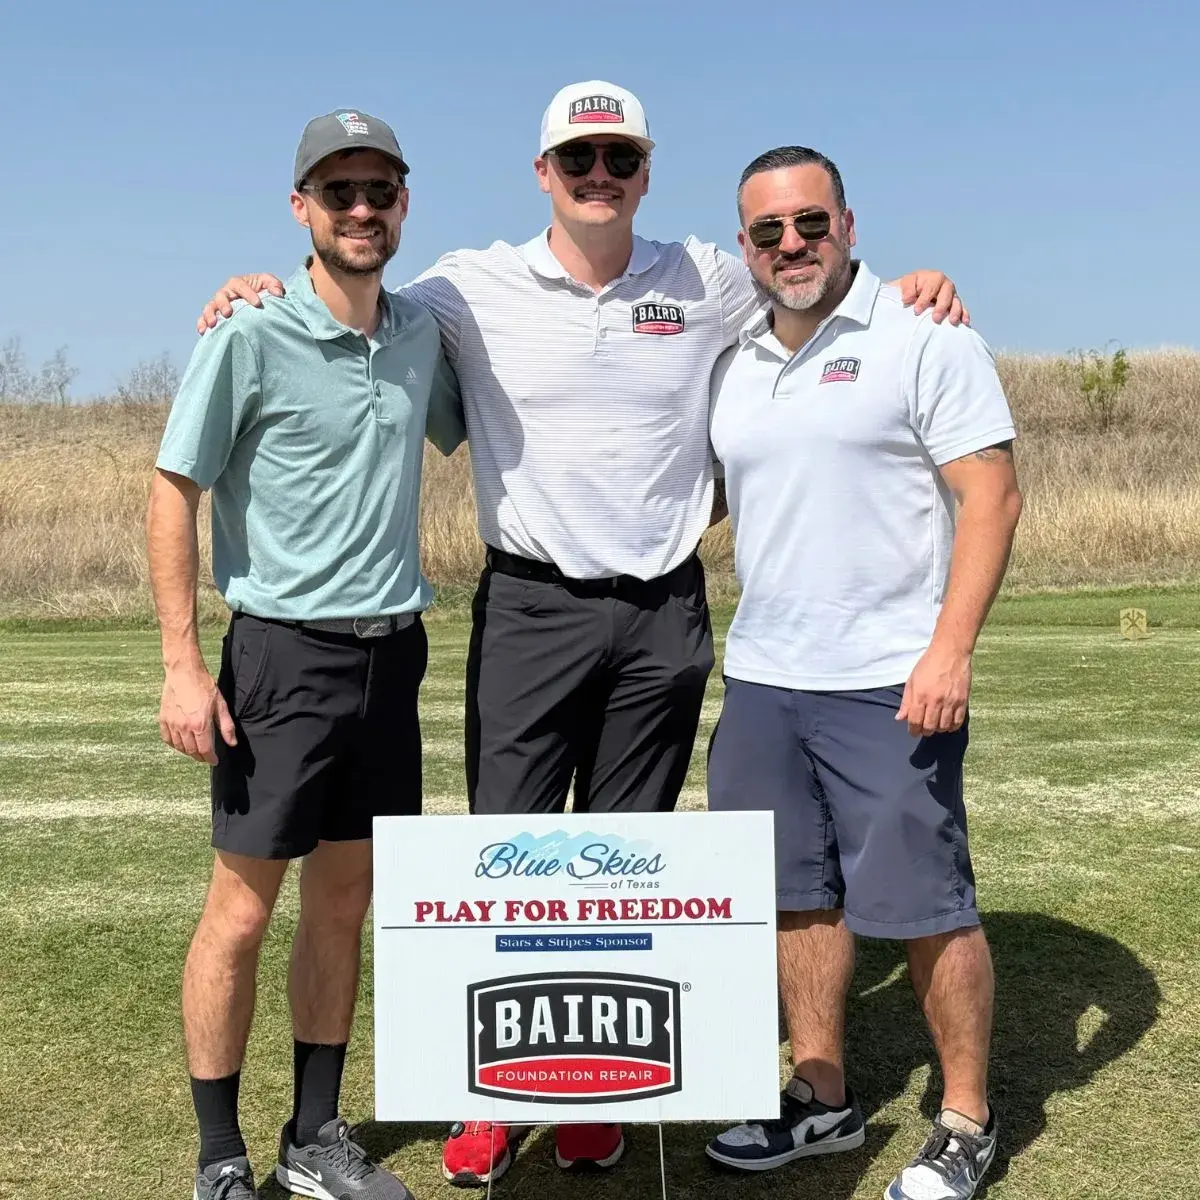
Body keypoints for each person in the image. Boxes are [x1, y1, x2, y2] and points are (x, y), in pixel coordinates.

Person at [195, 82, 967, 1188]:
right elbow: (346, 296)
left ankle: (592, 1100)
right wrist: (251, 288)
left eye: (618, 160)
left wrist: (916, 289)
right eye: (577, 161)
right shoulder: (465, 289)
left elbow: (820, 290)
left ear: (644, 171)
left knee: (624, 866)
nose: (597, 178)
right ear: (543, 172)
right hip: (530, 608)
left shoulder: (706, 277)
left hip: (661, 614)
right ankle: (492, 1102)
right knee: (511, 861)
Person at [149, 109, 464, 1200]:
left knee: (345, 900)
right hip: (280, 657)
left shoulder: (421, 334)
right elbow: (172, 488)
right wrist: (183, 665)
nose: (363, 209)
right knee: (240, 909)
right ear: (303, 211)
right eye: (340, 193)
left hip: (393, 657)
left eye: (380, 190)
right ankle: (218, 1155)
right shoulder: (248, 331)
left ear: (403, 204)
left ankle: (314, 1138)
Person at [703, 145, 1022, 1200]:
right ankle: (822, 1096)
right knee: (794, 902)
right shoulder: (735, 358)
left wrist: (950, 648)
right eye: (766, 231)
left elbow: (992, 497)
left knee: (926, 906)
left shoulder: (924, 335)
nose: (790, 245)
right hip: (763, 678)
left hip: (891, 678)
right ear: (745, 244)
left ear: (847, 221)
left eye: (809, 223)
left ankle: (967, 1118)